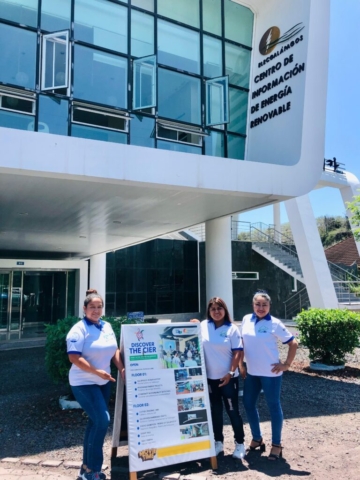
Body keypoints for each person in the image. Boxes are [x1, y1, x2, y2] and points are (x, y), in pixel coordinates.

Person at [66, 293, 125, 480]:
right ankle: (93, 470)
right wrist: (97, 372)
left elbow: (114, 349)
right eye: (92, 307)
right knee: (102, 420)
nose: (96, 310)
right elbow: (74, 357)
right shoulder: (78, 330)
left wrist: (121, 369)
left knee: (95, 421)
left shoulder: (106, 326)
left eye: (99, 307)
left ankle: (86, 468)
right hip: (83, 382)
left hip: (103, 382)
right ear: (84, 309)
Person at [240, 290, 298, 460]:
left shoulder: (275, 323)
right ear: (253, 305)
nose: (261, 307)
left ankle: (277, 444)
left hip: (271, 374)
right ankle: (257, 438)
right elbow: (242, 342)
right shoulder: (245, 320)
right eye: (257, 304)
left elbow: (293, 343)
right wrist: (240, 364)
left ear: (269, 306)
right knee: (248, 403)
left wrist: (286, 365)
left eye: (264, 305)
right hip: (252, 372)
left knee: (273, 407)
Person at [192, 297, 246, 459]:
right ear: (209, 311)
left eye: (219, 308)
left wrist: (230, 373)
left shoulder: (232, 329)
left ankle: (240, 443)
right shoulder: (203, 326)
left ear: (225, 310)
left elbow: (237, 352)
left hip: (228, 379)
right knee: (215, 412)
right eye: (213, 309)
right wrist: (192, 323)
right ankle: (218, 443)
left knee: (232, 411)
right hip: (210, 379)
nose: (216, 311)